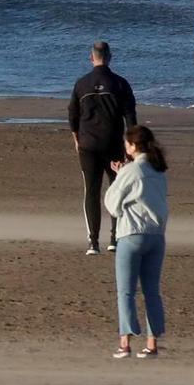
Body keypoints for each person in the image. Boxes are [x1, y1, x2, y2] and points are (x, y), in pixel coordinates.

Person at [101, 124, 169, 359]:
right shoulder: (158, 169)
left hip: (132, 234)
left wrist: (120, 174)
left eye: (127, 143)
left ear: (133, 145)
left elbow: (111, 204)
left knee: (126, 291)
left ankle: (125, 343)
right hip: (156, 236)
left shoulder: (132, 170)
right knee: (152, 292)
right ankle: (152, 344)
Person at [68, 41, 138, 255]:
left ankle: (93, 242)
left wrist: (76, 139)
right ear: (109, 57)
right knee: (117, 189)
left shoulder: (82, 84)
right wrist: (131, 146)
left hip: (88, 144)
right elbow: (131, 118)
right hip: (113, 144)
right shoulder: (119, 83)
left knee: (91, 191)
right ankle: (114, 238)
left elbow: (73, 115)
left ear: (92, 58)